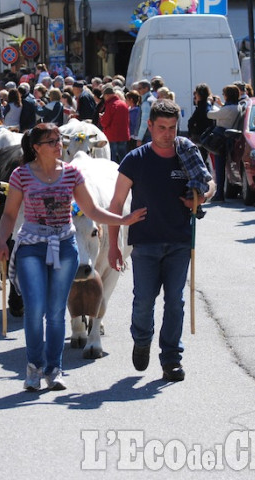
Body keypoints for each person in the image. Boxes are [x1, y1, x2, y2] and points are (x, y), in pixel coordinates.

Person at [0, 123, 145, 391]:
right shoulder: (21, 175)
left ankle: (54, 369)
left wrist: (122, 219)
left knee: (55, 313)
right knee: (34, 312)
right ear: (36, 148)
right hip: (32, 246)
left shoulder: (71, 174)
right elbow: (9, 214)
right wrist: (2, 240)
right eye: (51, 141)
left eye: (58, 140)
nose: (58, 145)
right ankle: (33, 367)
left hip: (65, 245)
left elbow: (92, 210)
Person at [107, 100, 214, 382]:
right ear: (150, 126)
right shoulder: (135, 159)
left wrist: (201, 197)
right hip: (145, 243)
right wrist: (113, 244)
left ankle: (171, 359)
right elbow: (116, 203)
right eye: (162, 127)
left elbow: (209, 183)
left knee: (175, 302)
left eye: (173, 128)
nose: (168, 134)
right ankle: (142, 341)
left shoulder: (186, 153)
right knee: (143, 301)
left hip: (180, 240)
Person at [207, 85, 242, 202]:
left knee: (220, 167)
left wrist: (209, 103)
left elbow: (210, 114)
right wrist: (220, 104)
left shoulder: (228, 109)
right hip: (232, 138)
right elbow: (225, 112)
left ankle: (219, 193)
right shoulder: (238, 107)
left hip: (222, 139)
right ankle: (222, 192)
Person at [99, 86, 131, 163]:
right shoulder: (123, 104)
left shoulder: (111, 105)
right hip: (123, 135)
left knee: (112, 158)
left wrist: (101, 117)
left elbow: (105, 123)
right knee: (123, 157)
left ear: (107, 95)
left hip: (112, 136)